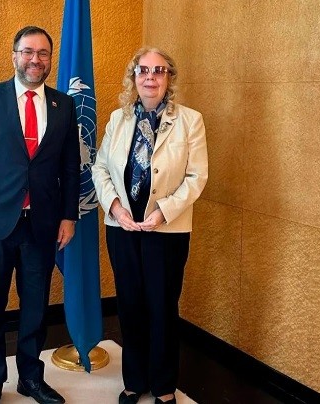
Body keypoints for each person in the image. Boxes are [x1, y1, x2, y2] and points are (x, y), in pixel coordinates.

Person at [0, 26, 80, 404]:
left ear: (50, 59)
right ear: (14, 55)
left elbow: (71, 167)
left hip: (42, 225)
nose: (35, 59)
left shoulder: (63, 105)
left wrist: (68, 216)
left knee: (36, 308)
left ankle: (30, 378)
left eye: (43, 53)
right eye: (28, 52)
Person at [91, 47, 208, 404]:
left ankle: (164, 386)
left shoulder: (190, 120)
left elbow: (196, 177)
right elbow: (100, 168)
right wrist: (115, 207)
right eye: (143, 70)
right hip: (122, 228)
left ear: (169, 77)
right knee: (130, 305)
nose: (150, 77)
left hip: (166, 231)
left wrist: (163, 212)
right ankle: (134, 381)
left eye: (159, 70)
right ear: (134, 77)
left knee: (162, 307)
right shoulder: (119, 119)